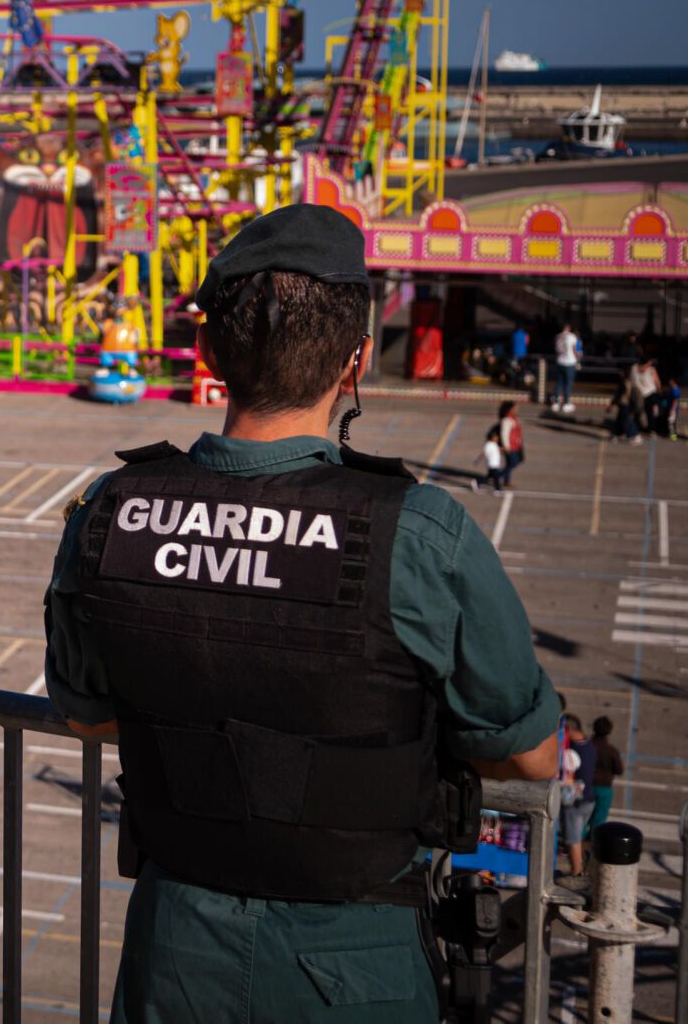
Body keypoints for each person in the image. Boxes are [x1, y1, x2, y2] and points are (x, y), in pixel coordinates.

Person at [43, 204, 560, 1024]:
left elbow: (86, 714)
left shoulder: (112, 512)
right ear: (356, 361)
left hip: (172, 952)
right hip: (359, 960)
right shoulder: (418, 533)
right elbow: (532, 757)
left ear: (210, 351)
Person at [559, 714, 598, 884]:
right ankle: (582, 867)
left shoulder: (572, 750)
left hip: (575, 801)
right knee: (578, 837)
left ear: (568, 729)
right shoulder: (590, 746)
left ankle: (576, 874)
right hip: (589, 799)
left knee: (572, 839)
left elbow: (572, 777)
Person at [587, 715, 623, 835]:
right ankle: (592, 844)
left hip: (586, 785)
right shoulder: (611, 750)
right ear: (609, 731)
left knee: (581, 818)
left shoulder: (587, 746)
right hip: (604, 788)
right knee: (598, 819)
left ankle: (577, 844)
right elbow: (619, 770)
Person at [495, 400, 524, 487]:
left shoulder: (512, 418)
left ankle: (506, 481)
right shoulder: (507, 420)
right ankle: (497, 477)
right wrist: (506, 446)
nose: (517, 409)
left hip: (515, 445)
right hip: (510, 446)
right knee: (514, 462)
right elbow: (504, 434)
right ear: (510, 409)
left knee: (509, 463)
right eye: (515, 408)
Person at [553, 322, 580, 412]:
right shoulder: (572, 336)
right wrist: (577, 358)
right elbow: (573, 349)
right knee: (568, 383)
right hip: (569, 362)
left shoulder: (558, 336)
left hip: (560, 361)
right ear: (568, 328)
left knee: (559, 383)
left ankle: (556, 403)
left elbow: (556, 350)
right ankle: (566, 403)